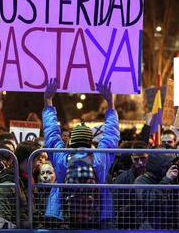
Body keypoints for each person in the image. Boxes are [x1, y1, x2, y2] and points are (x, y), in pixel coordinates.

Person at [42, 78, 120, 228]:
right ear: (90, 141)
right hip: (96, 218)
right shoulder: (99, 159)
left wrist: (48, 100)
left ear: (71, 141)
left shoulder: (62, 158)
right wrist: (110, 103)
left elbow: (51, 132)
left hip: (65, 218)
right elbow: (111, 134)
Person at [0, 141, 39, 228]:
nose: (36, 164)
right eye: (33, 160)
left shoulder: (27, 179)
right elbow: (3, 221)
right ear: (22, 160)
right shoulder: (8, 184)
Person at [134, 153, 178, 229]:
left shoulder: (166, 178)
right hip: (149, 226)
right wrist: (166, 181)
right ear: (158, 167)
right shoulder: (141, 181)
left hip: (167, 224)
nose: (170, 168)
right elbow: (150, 202)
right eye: (167, 166)